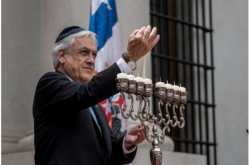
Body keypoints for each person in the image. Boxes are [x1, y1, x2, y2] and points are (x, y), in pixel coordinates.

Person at [33, 25, 160, 165]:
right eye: (84, 52)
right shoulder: (50, 84)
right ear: (62, 56)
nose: (91, 60)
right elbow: (87, 92)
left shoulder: (94, 106)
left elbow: (107, 153)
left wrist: (126, 142)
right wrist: (128, 59)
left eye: (94, 54)